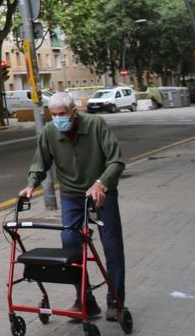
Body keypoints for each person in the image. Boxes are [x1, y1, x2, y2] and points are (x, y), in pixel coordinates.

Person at [18, 91, 126, 320]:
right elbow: (41, 162)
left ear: (74, 112)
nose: (58, 118)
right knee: (69, 244)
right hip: (72, 195)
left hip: (101, 192)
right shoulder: (50, 131)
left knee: (112, 244)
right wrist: (31, 185)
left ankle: (115, 300)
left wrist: (101, 184)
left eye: (62, 114)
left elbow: (116, 160)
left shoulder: (96, 125)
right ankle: (85, 299)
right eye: (53, 114)